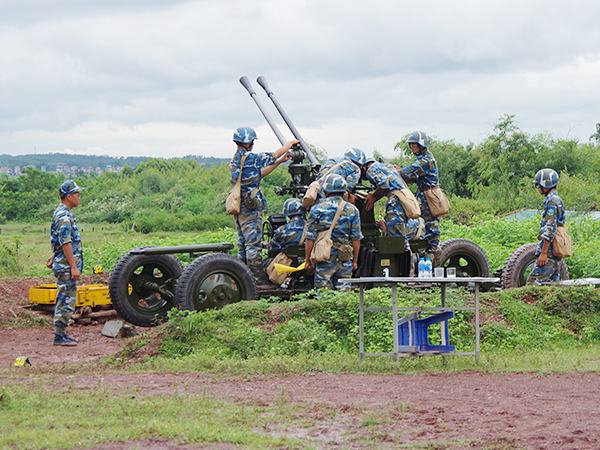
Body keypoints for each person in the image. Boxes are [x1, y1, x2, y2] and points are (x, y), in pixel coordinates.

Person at [229, 126, 299, 287]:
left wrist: (279, 162)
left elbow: (259, 174)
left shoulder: (236, 160)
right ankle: (258, 281)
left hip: (240, 206)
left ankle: (242, 278)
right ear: (248, 143)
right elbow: (272, 155)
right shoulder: (250, 158)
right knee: (253, 245)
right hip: (250, 208)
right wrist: (289, 144)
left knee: (242, 244)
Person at [305, 174, 363, 291]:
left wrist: (308, 260)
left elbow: (310, 238)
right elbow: (356, 239)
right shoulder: (353, 210)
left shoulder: (317, 209)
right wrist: (355, 261)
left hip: (323, 258)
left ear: (325, 191)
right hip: (344, 259)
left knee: (323, 295)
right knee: (344, 298)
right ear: (343, 191)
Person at [50, 180, 85, 346]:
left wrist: (54, 255)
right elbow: (66, 242)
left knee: (65, 297)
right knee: (65, 300)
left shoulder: (63, 213)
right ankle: (59, 335)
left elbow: (59, 241)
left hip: (62, 262)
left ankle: (62, 333)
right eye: (77, 195)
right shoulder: (63, 216)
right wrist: (73, 266)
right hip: (66, 266)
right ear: (69, 197)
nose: (79, 197)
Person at [397, 131, 441, 261]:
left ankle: (432, 255)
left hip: (429, 196)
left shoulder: (425, 160)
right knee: (423, 224)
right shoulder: (421, 158)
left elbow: (408, 172)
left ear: (421, 144)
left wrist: (395, 171)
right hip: (423, 194)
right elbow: (412, 176)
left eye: (413, 144)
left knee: (431, 225)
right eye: (410, 144)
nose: (411, 147)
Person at [362, 159, 423, 248]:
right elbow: (385, 188)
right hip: (403, 199)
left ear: (364, 167)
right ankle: (407, 258)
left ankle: (403, 259)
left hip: (395, 201)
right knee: (401, 235)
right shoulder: (387, 167)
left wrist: (373, 196)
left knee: (396, 239)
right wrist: (375, 197)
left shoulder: (371, 169)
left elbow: (383, 184)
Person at [526, 169, 565, 285]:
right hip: (555, 250)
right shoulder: (555, 199)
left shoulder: (552, 201)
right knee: (553, 285)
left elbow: (550, 228)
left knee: (532, 285)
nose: (537, 187)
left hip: (549, 251)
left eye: (539, 184)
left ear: (546, 184)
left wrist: (543, 253)